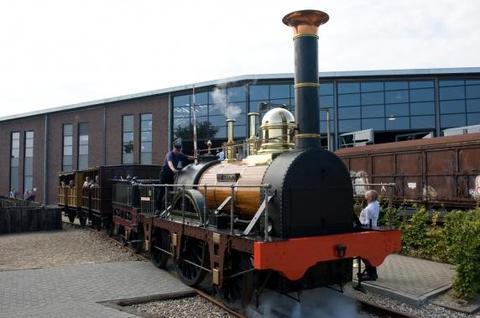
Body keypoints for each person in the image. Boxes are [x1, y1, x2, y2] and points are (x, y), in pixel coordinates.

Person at [155, 144, 194, 211]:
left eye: (179, 150)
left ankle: (173, 207)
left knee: (173, 190)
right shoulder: (169, 154)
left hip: (171, 175)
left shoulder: (179, 154)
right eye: (177, 150)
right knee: (161, 191)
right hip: (164, 174)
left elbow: (188, 157)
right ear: (174, 149)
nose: (178, 152)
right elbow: (170, 163)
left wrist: (196, 157)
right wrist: (173, 169)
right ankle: (157, 209)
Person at [359, 190, 380, 281]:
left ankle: (370, 275)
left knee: (366, 254)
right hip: (374, 230)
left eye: (366, 195)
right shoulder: (376, 204)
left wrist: (360, 223)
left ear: (370, 198)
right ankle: (373, 273)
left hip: (368, 233)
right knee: (371, 253)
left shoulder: (368, 209)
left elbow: (367, 223)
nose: (365, 196)